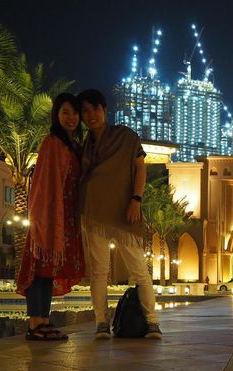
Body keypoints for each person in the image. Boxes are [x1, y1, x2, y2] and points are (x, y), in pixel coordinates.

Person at [77, 89, 161, 339]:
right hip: (94, 213)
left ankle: (152, 322)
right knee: (99, 271)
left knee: (139, 269)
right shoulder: (85, 145)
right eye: (85, 111)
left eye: (95, 109)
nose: (91, 115)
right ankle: (101, 322)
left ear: (105, 110)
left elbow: (140, 168)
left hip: (125, 212)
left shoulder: (125, 136)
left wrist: (136, 199)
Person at [16, 93, 86, 340]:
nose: (71, 118)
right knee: (38, 270)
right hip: (48, 216)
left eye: (75, 113)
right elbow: (44, 183)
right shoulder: (52, 142)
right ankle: (35, 324)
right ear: (56, 114)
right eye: (65, 112)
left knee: (47, 271)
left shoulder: (72, 145)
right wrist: (43, 218)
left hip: (64, 217)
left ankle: (43, 321)